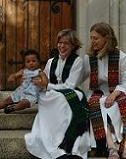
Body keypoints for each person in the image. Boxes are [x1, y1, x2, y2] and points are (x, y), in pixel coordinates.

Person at [24, 29, 90, 159]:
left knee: (60, 98)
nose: (62, 46)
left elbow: (69, 85)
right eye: (60, 42)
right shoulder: (51, 62)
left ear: (73, 45)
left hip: (71, 93)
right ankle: (48, 141)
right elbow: (43, 79)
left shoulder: (77, 61)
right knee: (46, 98)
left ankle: (67, 146)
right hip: (52, 94)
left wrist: (47, 86)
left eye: (66, 43)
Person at [83, 22, 126, 159]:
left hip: (118, 92)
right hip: (98, 93)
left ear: (106, 38)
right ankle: (112, 148)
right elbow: (77, 76)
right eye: (91, 38)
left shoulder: (121, 57)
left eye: (95, 38)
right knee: (96, 105)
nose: (92, 41)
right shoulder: (89, 58)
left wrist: (116, 93)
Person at [0, 49, 41, 114]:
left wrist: (40, 82)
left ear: (38, 62)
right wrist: (13, 77)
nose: (31, 63)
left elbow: (45, 82)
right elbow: (13, 77)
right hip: (20, 91)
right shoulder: (23, 71)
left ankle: (13, 108)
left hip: (31, 94)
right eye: (28, 61)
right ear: (25, 63)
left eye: (34, 61)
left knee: (25, 103)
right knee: (8, 100)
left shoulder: (39, 72)